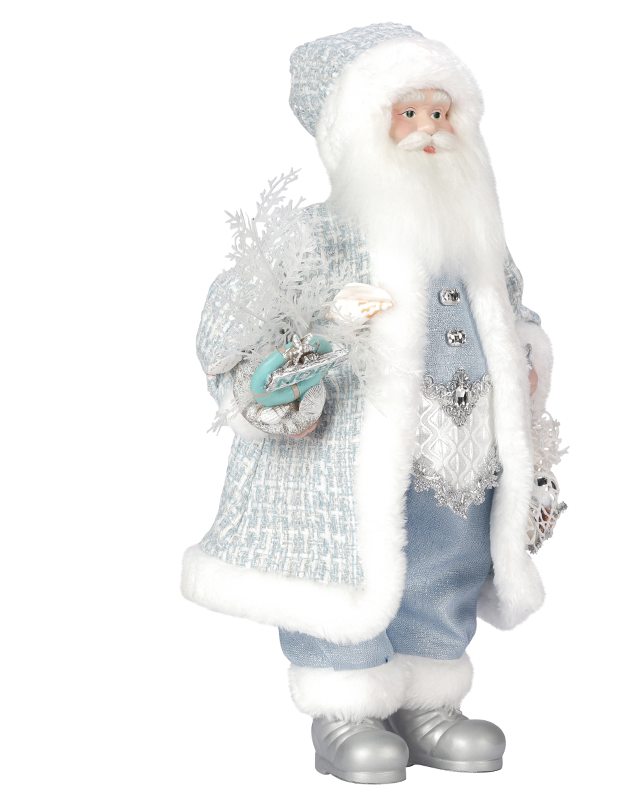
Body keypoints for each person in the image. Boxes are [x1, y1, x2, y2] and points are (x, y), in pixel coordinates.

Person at [182, 23, 560, 784]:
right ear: (357, 131)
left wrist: (523, 359)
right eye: (407, 114)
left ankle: (429, 697)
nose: (429, 131)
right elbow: (234, 336)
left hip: (459, 452)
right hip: (344, 454)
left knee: (448, 560)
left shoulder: (478, 243)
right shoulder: (314, 239)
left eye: (441, 113)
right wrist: (320, 336)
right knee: (344, 563)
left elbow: (514, 311)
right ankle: (344, 704)